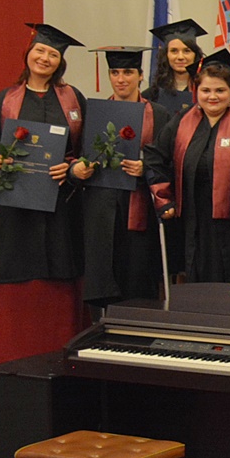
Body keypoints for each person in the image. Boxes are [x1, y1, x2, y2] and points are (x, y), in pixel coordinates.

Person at [0, 23, 89, 366]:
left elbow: (87, 150)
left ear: (60, 62)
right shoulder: (6, 99)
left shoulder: (73, 99)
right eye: (40, 51)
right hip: (18, 207)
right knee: (21, 275)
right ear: (28, 53)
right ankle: (12, 358)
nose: (45, 58)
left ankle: (62, 355)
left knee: (62, 272)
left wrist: (73, 167)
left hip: (62, 205)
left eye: (52, 54)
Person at [146, 52, 230, 286]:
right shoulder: (182, 120)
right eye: (206, 90)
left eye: (220, 90)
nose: (212, 97)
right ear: (196, 91)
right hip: (194, 218)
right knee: (198, 278)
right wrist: (164, 199)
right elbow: (154, 156)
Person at [75, 46, 170, 306]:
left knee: (137, 271)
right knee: (103, 270)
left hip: (139, 203)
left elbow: (169, 160)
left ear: (140, 76)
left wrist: (145, 168)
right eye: (114, 72)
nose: (121, 79)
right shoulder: (94, 111)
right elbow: (79, 154)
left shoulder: (159, 113)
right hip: (101, 203)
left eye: (128, 72)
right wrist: (80, 168)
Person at [144, 18, 206, 117]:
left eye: (186, 51)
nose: (180, 57)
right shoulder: (151, 95)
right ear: (166, 55)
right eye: (174, 51)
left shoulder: (206, 92)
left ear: (195, 55)